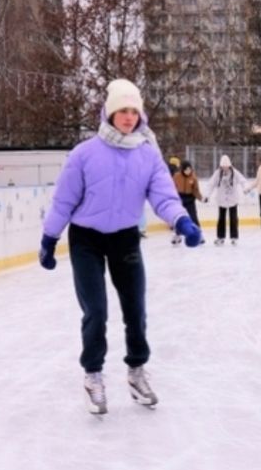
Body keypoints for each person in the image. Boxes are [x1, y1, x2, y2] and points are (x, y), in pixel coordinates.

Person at [38, 78, 202, 414]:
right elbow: (63, 201)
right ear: (109, 113)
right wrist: (49, 239)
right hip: (86, 239)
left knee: (135, 310)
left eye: (133, 111)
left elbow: (163, 196)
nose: (128, 117)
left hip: (125, 237)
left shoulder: (148, 155)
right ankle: (93, 376)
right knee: (96, 312)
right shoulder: (84, 154)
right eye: (122, 110)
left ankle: (136, 371)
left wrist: (182, 222)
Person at [206, 155, 247, 246]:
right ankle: (220, 237)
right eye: (223, 166)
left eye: (226, 166)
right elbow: (211, 184)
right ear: (221, 166)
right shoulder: (218, 173)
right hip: (221, 200)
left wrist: (245, 189)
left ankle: (234, 237)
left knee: (234, 219)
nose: (225, 168)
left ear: (229, 165)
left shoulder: (235, 172)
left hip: (233, 200)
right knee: (221, 219)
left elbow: (243, 180)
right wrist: (207, 195)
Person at [172, 160, 206, 245]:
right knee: (179, 218)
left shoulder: (193, 178)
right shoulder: (176, 176)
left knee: (193, 217)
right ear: (182, 170)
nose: (188, 171)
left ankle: (199, 235)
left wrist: (201, 199)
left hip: (190, 199)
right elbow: (171, 187)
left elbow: (196, 190)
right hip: (180, 199)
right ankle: (177, 235)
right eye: (186, 170)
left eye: (190, 169)